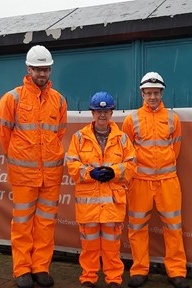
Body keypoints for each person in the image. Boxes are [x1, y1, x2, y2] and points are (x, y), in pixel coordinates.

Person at [0, 45, 67, 288]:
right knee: (23, 223)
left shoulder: (58, 100)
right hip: (24, 174)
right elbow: (4, 135)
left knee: (46, 224)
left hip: (51, 174)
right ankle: (22, 270)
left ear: (50, 70)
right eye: (38, 69)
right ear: (28, 69)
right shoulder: (12, 98)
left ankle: (41, 268)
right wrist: (21, 157)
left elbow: (59, 133)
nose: (42, 73)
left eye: (46, 69)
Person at [122, 72, 190, 288]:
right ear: (142, 93)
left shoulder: (173, 119)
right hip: (139, 181)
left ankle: (177, 272)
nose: (152, 97)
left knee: (173, 227)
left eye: (156, 93)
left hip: (168, 181)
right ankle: (140, 270)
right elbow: (127, 152)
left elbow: (175, 149)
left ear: (162, 93)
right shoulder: (130, 120)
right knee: (137, 227)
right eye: (148, 93)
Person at [65, 92, 137, 288]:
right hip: (88, 204)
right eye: (98, 111)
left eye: (106, 111)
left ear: (112, 112)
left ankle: (114, 278)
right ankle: (89, 277)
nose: (102, 115)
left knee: (112, 246)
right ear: (92, 112)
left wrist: (114, 172)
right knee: (89, 246)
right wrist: (91, 173)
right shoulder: (79, 138)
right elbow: (71, 165)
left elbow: (131, 165)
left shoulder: (122, 138)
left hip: (112, 203)